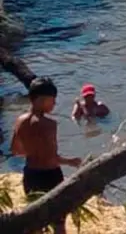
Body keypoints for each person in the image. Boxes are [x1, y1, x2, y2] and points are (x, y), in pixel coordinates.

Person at [11, 77, 82, 234]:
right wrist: (70, 161)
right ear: (43, 99)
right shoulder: (49, 125)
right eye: (53, 100)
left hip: (30, 175)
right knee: (58, 222)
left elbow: (15, 150)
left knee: (34, 221)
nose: (55, 104)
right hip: (50, 176)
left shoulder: (20, 121)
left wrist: (33, 151)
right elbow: (51, 157)